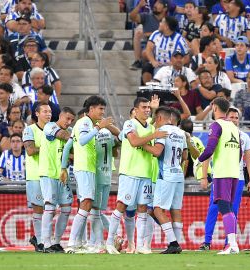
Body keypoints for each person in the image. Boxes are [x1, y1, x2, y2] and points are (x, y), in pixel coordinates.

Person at [104, 97, 166, 254]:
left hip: (145, 174)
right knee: (122, 205)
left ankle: (139, 246)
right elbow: (133, 141)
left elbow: (148, 135)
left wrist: (155, 110)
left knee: (143, 209)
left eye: (148, 108)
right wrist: (152, 137)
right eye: (143, 107)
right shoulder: (129, 124)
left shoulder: (150, 127)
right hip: (129, 172)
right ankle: (110, 242)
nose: (146, 109)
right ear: (135, 109)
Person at [62, 96, 116, 253]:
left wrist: (63, 167)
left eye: (103, 109)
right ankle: (72, 243)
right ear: (91, 109)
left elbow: (69, 146)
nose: (102, 112)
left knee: (90, 206)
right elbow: (84, 140)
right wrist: (99, 128)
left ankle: (86, 242)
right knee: (86, 203)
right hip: (84, 167)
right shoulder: (84, 122)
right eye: (100, 109)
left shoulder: (88, 123)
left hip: (89, 168)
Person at [198, 106, 250, 251]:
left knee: (230, 209)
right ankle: (207, 242)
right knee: (215, 208)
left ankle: (230, 244)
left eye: (237, 118)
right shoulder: (222, 130)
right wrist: (204, 176)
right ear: (226, 117)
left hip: (229, 175)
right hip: (227, 175)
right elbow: (209, 156)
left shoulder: (242, 135)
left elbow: (248, 158)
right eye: (232, 117)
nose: (234, 120)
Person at [142, 107, 187, 254]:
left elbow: (157, 151)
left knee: (157, 210)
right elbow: (185, 156)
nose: (154, 123)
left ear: (160, 118)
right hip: (179, 174)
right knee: (176, 210)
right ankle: (178, 244)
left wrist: (142, 144)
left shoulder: (162, 132)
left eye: (155, 119)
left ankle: (173, 243)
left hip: (166, 175)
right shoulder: (181, 133)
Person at [39, 107, 75, 253]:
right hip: (49, 173)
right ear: (60, 116)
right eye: (67, 118)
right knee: (50, 207)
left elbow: (72, 152)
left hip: (63, 175)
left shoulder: (71, 131)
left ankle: (56, 242)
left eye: (72, 120)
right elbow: (63, 135)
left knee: (66, 208)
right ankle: (45, 243)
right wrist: (76, 136)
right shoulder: (50, 126)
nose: (69, 122)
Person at [23, 102, 51, 252]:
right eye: (45, 111)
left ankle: (42, 238)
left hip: (51, 174)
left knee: (50, 209)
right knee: (39, 209)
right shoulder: (29, 130)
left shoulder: (54, 130)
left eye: (50, 111)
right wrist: (48, 149)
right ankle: (40, 241)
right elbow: (30, 150)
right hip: (35, 175)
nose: (48, 114)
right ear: (37, 114)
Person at [142, 16, 189, 84]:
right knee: (147, 67)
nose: (159, 23)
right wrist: (153, 61)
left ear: (166, 27)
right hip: (157, 63)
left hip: (171, 66)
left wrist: (175, 64)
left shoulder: (179, 40)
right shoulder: (156, 34)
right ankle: (148, 89)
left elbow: (187, 58)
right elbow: (148, 49)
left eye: (162, 22)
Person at [129, 0, 168, 70]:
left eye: (159, 4)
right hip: (150, 48)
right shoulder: (147, 16)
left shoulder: (168, 21)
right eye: (156, 2)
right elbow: (132, 17)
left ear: (165, 9)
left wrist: (150, 33)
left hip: (165, 49)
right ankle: (138, 61)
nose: (155, 5)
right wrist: (139, 6)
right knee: (145, 52)